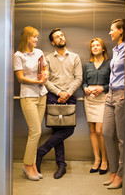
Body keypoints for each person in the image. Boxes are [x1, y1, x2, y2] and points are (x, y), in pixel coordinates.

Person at [36, 28, 82, 179]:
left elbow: (78, 78)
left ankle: (41, 151)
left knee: (68, 130)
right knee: (57, 132)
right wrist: (58, 93)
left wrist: (67, 93)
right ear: (52, 42)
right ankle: (61, 165)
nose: (61, 38)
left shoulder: (75, 57)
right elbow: (46, 79)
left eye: (62, 35)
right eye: (57, 36)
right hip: (53, 97)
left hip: (70, 97)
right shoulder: (47, 58)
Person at [13, 26, 49, 181]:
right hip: (28, 96)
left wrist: (45, 74)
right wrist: (36, 81)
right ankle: (27, 165)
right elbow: (20, 78)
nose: (36, 39)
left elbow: (45, 68)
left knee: (35, 132)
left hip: (42, 94)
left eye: (37, 37)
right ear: (26, 38)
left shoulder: (39, 52)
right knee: (35, 132)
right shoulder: (18, 55)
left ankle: (33, 165)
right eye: (33, 37)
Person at [102, 19, 125, 189]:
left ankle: (121, 174)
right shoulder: (115, 49)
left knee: (122, 138)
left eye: (112, 30)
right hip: (110, 94)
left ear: (121, 30)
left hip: (122, 94)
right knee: (106, 133)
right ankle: (113, 169)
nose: (110, 33)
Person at [82, 38, 110, 175]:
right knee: (92, 130)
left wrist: (103, 88)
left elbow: (113, 83)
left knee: (100, 130)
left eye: (98, 45)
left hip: (103, 100)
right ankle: (97, 160)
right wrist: (86, 88)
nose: (95, 47)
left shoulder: (109, 64)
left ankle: (105, 160)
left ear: (103, 48)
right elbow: (84, 82)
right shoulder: (87, 65)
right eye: (93, 45)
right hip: (90, 100)